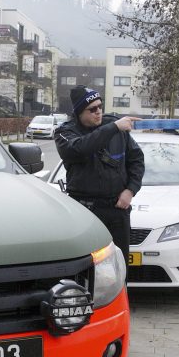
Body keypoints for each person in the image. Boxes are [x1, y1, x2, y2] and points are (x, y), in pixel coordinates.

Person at [55, 86, 144, 262]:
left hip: (117, 209)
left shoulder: (115, 128)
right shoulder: (65, 132)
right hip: (85, 211)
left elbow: (137, 159)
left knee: (119, 265)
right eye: (92, 109)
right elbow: (80, 148)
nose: (98, 112)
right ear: (79, 112)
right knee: (88, 265)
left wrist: (131, 190)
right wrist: (113, 128)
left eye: (100, 107)